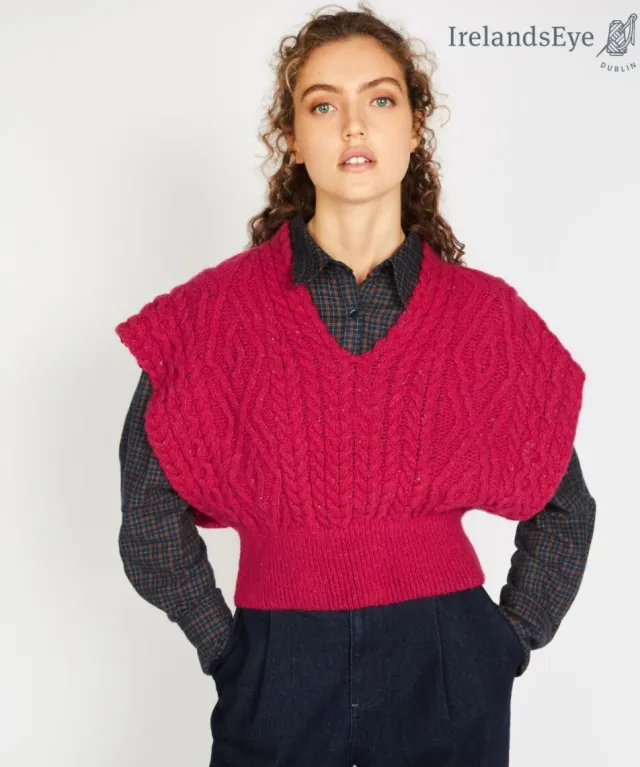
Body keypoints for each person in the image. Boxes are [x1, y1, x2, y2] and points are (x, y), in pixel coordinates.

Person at [115, 4, 596, 765]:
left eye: (380, 99)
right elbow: (148, 519)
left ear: (414, 127)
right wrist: (230, 653)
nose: (353, 127)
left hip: (446, 659)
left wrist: (503, 643)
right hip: (277, 663)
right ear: (291, 137)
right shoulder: (210, 316)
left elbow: (565, 507)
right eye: (322, 106)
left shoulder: (486, 319)